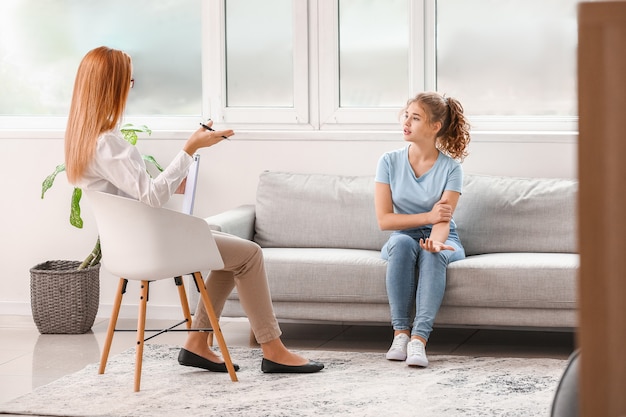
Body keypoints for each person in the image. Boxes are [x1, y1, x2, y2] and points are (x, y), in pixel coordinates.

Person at [65, 46, 323, 374]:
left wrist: (178, 175)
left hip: (128, 247)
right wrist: (190, 148)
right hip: (150, 248)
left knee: (225, 247)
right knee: (250, 255)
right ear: (112, 86)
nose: (131, 87)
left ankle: (198, 343)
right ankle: (273, 349)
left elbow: (134, 190)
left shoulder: (88, 140)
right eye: (129, 81)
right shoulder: (109, 144)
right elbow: (152, 197)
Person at [374, 92, 470, 367]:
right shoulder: (389, 161)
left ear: (434, 127)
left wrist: (437, 243)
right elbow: (385, 220)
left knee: (432, 255)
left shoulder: (451, 169)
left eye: (415, 118)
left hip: (443, 235)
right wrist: (426, 216)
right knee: (403, 244)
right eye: (406, 115)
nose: (406, 122)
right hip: (402, 236)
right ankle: (400, 334)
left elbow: (442, 221)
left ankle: (418, 340)